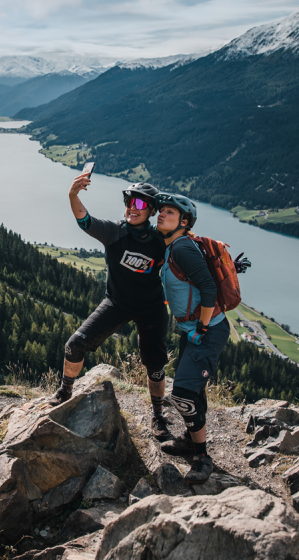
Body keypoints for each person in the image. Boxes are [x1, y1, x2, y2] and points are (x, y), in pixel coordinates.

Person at [51, 173, 173, 441]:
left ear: (151, 211)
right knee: (74, 345)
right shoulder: (115, 232)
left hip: (151, 308)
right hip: (117, 302)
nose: (132, 207)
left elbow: (189, 247)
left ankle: (158, 416)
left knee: (154, 363)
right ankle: (65, 390)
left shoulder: (161, 240)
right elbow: (85, 220)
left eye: (140, 204)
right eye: (129, 201)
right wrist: (73, 195)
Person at [153, 192, 231, 484]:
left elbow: (209, 289)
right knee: (193, 388)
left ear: (184, 223)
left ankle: (202, 457)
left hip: (207, 331)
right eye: (161, 211)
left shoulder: (182, 248)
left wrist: (202, 328)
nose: (161, 214)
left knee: (183, 393)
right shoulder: (173, 246)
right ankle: (189, 439)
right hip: (194, 330)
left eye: (169, 213)